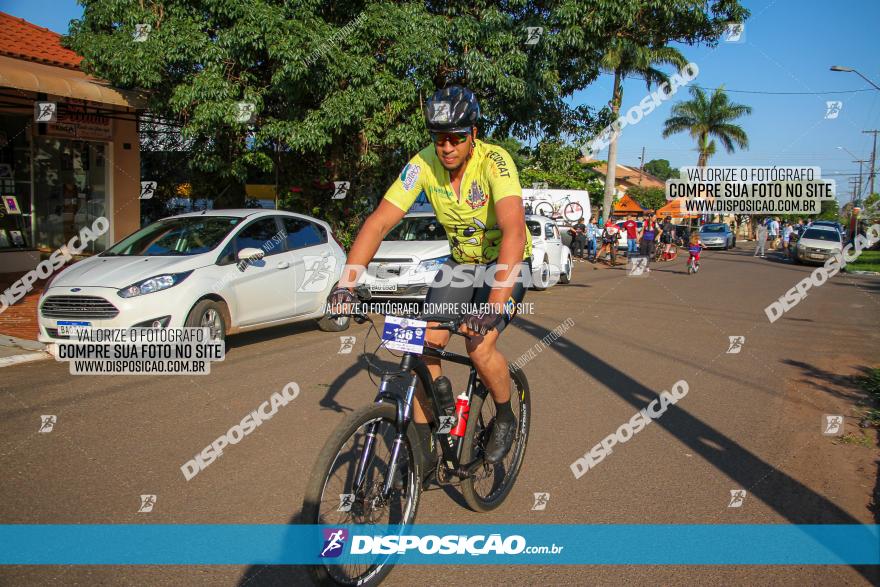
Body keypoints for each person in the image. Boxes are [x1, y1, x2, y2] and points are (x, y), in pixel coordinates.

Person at [329, 86, 530, 471]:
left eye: (457, 137)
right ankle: (425, 445)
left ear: (473, 134)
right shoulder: (421, 165)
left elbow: (514, 232)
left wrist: (493, 307)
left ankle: (505, 414)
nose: (448, 146)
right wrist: (346, 284)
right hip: (460, 265)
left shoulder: (495, 162)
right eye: (440, 138)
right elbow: (379, 222)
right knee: (424, 347)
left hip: (502, 264)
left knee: (478, 346)